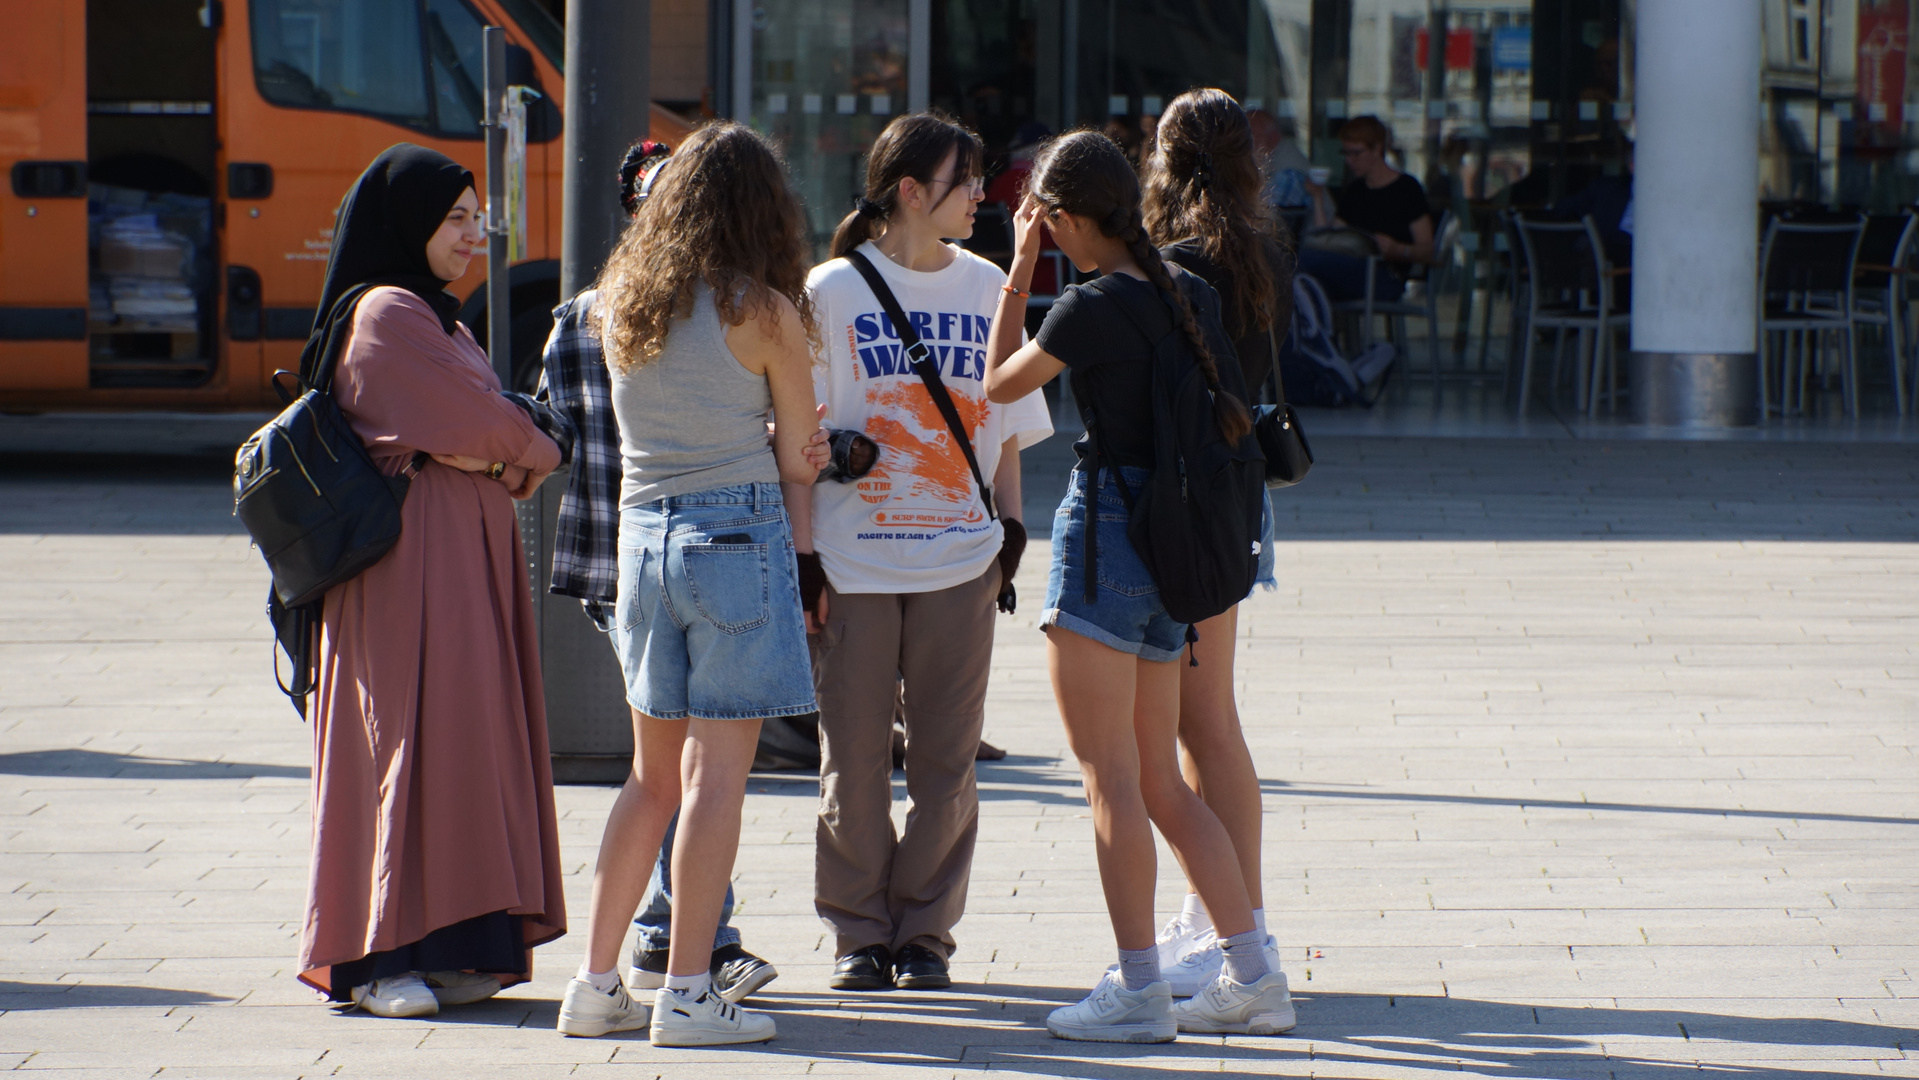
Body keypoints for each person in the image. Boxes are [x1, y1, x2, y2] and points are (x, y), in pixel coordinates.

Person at [982, 130, 1295, 1041]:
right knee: (1163, 779)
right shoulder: (1185, 287)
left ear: (1069, 218)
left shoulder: (1086, 306)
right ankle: (1253, 970)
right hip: (1177, 548)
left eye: (1049, 220)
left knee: (1109, 779)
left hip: (1107, 535)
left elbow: (999, 389)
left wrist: (1018, 270)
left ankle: (1136, 988)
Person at [539, 138, 823, 1008]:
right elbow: (802, 456)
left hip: (641, 546)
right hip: (734, 538)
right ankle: (691, 990)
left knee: (649, 778)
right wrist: (789, 446)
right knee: (715, 781)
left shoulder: (619, 304)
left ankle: (593, 986)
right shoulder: (764, 311)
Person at [296, 144, 566, 1018]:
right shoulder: (385, 315)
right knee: (402, 747)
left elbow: (490, 433)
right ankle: (376, 958)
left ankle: (455, 944)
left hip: (456, 573)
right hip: (403, 575)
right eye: (454, 218)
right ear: (407, 225)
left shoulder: (443, 321)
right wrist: (506, 453)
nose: (471, 234)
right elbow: (496, 429)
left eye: (473, 216)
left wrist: (495, 452)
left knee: (461, 747)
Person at [801, 113, 1053, 993]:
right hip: (853, 561)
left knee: (947, 768)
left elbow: (1009, 426)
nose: (981, 196)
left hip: (959, 560)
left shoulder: (988, 285)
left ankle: (924, 935)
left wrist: (1011, 539)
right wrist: (805, 558)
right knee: (853, 765)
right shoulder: (830, 290)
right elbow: (801, 432)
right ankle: (859, 934)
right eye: (965, 180)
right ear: (912, 191)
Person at [1142, 88, 1294, 996]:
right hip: (1238, 499)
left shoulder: (1175, 263)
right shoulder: (1261, 249)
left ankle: (1231, 928)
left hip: (1189, 501)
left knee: (1201, 724)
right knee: (1213, 720)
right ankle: (1229, 916)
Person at [1299, 115, 1434, 303]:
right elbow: (1329, 237)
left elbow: (1428, 249)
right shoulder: (1356, 190)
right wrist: (1318, 197)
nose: (1349, 160)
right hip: (1353, 269)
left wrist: (1398, 249)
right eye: (1346, 153)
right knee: (1303, 272)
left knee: (1303, 265)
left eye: (1356, 153)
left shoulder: (1407, 189)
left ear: (1377, 148)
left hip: (1386, 275)